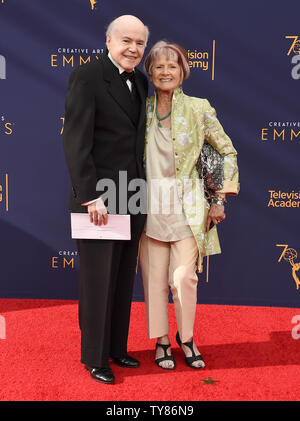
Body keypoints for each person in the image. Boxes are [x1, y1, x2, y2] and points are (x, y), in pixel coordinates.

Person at [140, 41, 239, 370]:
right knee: (154, 278)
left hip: (188, 206)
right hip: (148, 205)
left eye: (172, 66)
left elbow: (226, 151)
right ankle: (162, 340)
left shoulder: (199, 108)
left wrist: (219, 197)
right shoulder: (141, 110)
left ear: (183, 72)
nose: (165, 72)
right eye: (158, 66)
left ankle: (186, 337)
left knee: (183, 278)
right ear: (150, 73)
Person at [62, 15, 149, 384]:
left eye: (140, 43)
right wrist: (91, 196)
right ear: (109, 40)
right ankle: (94, 357)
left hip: (133, 194)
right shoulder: (88, 75)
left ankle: (116, 348)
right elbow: (75, 141)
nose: (133, 49)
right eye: (126, 40)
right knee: (98, 281)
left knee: (122, 280)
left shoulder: (141, 81)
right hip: (100, 198)